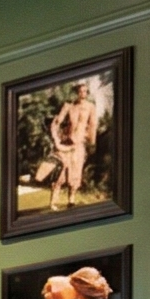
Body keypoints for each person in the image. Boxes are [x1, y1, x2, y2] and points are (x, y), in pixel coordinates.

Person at [49, 81, 99, 211]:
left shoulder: (90, 107)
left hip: (79, 145)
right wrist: (56, 139)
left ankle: (71, 200)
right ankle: (53, 202)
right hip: (66, 144)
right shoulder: (69, 106)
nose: (83, 93)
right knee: (60, 173)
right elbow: (56, 122)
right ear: (76, 92)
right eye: (80, 91)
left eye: (85, 91)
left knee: (75, 174)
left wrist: (92, 143)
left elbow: (93, 126)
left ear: (87, 93)